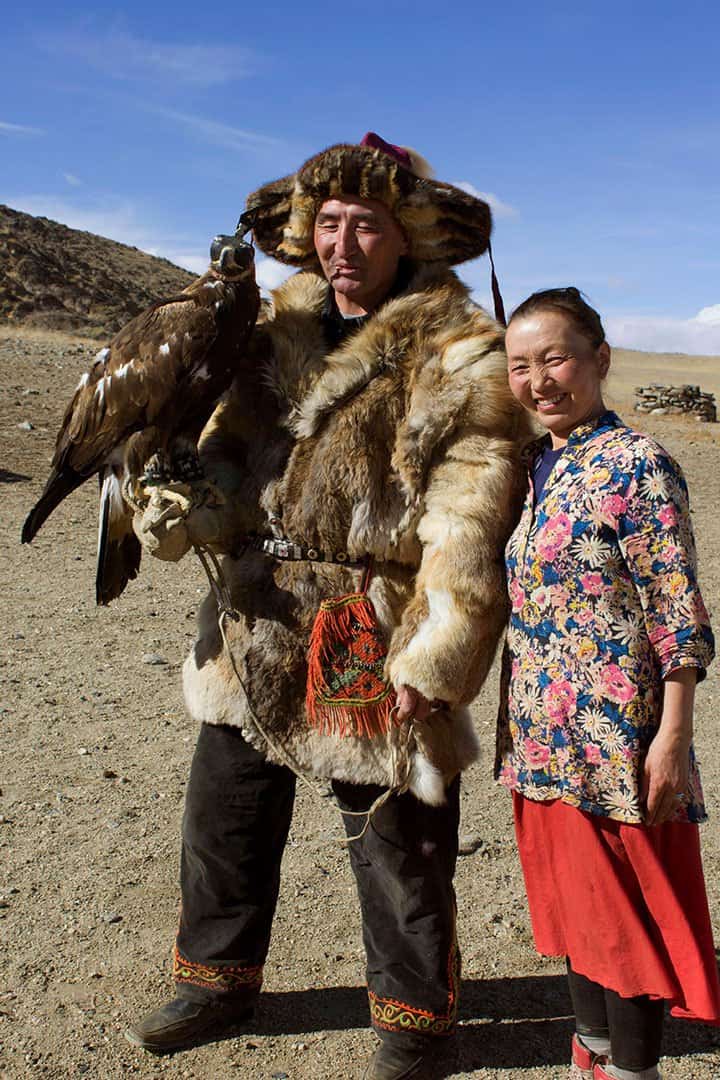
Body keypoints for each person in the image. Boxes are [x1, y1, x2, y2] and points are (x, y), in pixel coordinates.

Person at [125, 133, 529, 1079]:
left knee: (397, 836)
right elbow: (223, 452)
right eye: (329, 224)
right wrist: (191, 510)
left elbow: (467, 516)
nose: (343, 243)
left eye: (367, 226)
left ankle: (413, 1022)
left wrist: (437, 657)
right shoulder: (267, 335)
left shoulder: (461, 353)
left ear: (406, 238)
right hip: (256, 610)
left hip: (372, 620)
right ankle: (215, 981)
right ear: (307, 234)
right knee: (223, 811)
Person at [496, 287, 720, 1080]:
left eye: (554, 358)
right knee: (577, 913)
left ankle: (633, 1070)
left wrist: (674, 739)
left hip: (620, 739)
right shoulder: (533, 469)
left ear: (600, 359)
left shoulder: (639, 464)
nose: (538, 380)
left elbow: (677, 612)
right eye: (520, 365)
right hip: (543, 739)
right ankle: (588, 1060)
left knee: (628, 921)